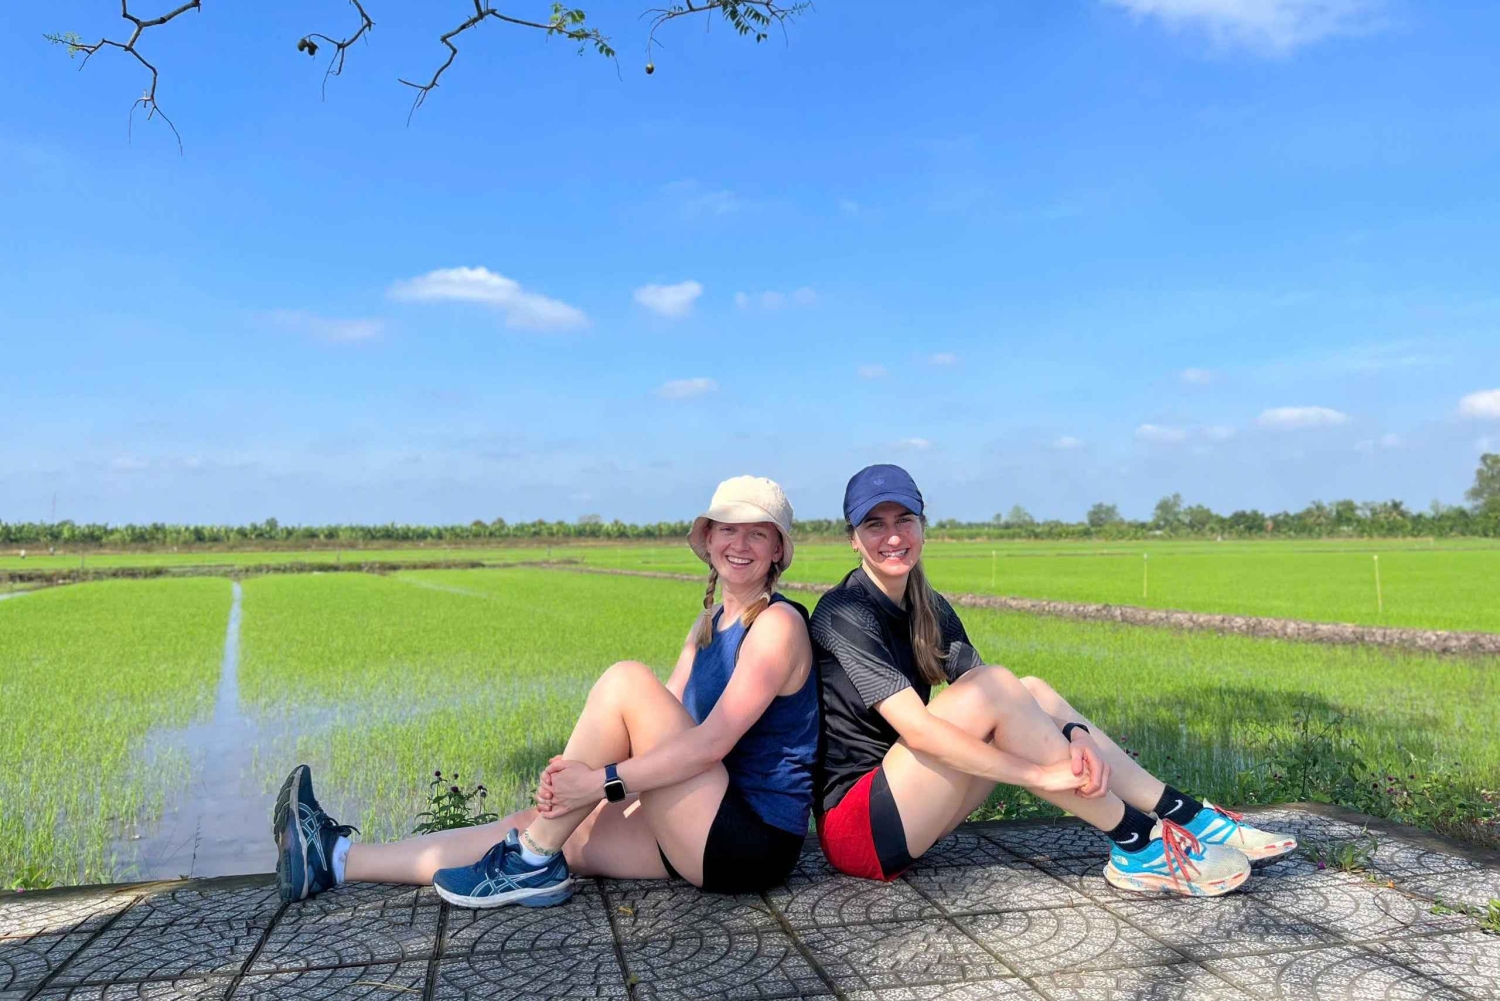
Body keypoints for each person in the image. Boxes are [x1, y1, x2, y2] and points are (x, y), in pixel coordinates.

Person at [273, 475, 819, 907]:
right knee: (535, 828)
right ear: (709, 541)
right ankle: (336, 859)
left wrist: (597, 784)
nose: (739, 543)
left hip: (750, 840)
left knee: (626, 679)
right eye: (728, 528)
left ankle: (531, 862)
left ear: (777, 550)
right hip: (699, 820)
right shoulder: (707, 624)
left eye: (757, 532)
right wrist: (573, 784)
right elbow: (662, 732)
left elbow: (707, 745)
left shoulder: (777, 626)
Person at [811, 464, 1295, 896]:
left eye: (903, 521)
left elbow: (1011, 700)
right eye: (875, 524)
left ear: (922, 526)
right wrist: (1039, 774)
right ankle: (1136, 841)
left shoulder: (928, 606)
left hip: (914, 811)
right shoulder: (844, 612)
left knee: (1032, 686)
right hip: (858, 831)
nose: (892, 537)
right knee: (999, 684)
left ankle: (1186, 815)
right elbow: (919, 729)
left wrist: (1074, 734)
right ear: (853, 538)